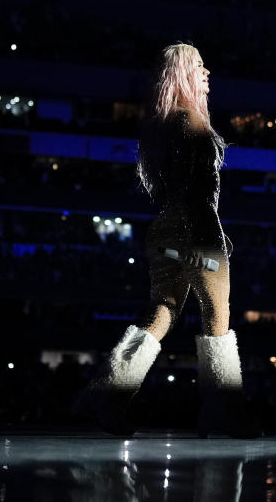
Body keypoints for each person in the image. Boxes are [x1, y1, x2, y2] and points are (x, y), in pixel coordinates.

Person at [73, 43, 261, 438]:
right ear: (183, 74)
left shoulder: (163, 123)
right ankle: (222, 411)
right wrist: (212, 236)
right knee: (218, 319)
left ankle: (107, 396)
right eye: (199, 65)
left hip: (165, 231)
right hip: (197, 232)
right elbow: (198, 192)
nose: (207, 71)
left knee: (161, 312)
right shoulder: (191, 120)